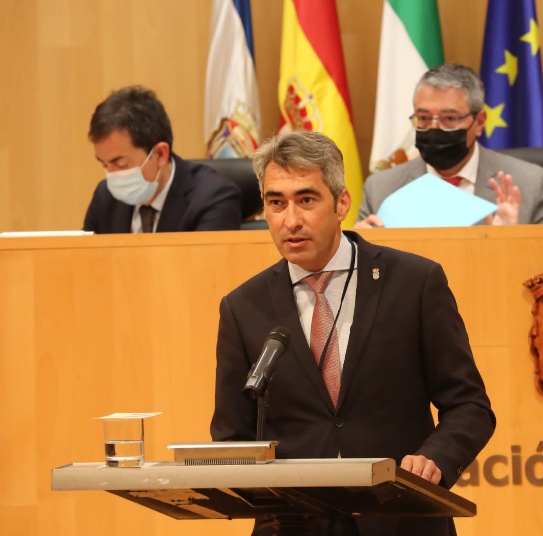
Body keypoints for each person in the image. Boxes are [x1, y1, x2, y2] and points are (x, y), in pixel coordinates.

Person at [210, 131, 495, 536]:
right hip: (294, 527)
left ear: (341, 203)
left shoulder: (414, 282)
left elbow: (469, 405)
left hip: (402, 522)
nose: (291, 220)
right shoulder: (242, 307)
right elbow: (232, 436)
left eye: (306, 200)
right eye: (276, 203)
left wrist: (435, 458)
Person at [355, 63, 543, 227]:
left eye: (449, 118)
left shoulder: (531, 184)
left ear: (479, 122)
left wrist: (510, 242)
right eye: (424, 118)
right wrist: (359, 251)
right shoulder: (381, 189)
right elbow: (360, 265)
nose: (434, 128)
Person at [83, 86, 242, 233]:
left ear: (160, 154)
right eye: (105, 165)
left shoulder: (213, 198)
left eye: (121, 164)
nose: (112, 176)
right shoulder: (105, 198)